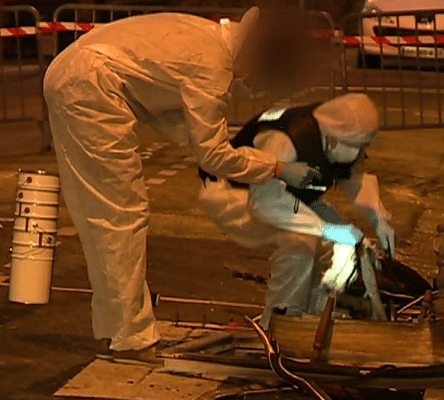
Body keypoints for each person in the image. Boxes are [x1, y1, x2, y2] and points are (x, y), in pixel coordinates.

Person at [42, 7, 321, 364]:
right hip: (87, 84)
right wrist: (280, 168)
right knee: (118, 215)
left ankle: (121, 327)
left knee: (106, 214)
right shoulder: (212, 65)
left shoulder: (210, 38)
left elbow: (180, 113)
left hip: (79, 74)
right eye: (261, 78)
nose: (251, 87)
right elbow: (214, 156)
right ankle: (131, 336)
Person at [199, 93, 395, 329]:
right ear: (335, 139)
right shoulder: (287, 140)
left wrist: (378, 217)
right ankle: (280, 325)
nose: (363, 154)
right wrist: (328, 230)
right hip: (234, 193)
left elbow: (353, 177)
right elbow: (264, 203)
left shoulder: (334, 134)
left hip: (287, 195)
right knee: (299, 244)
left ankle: (313, 312)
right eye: (360, 146)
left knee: (340, 246)